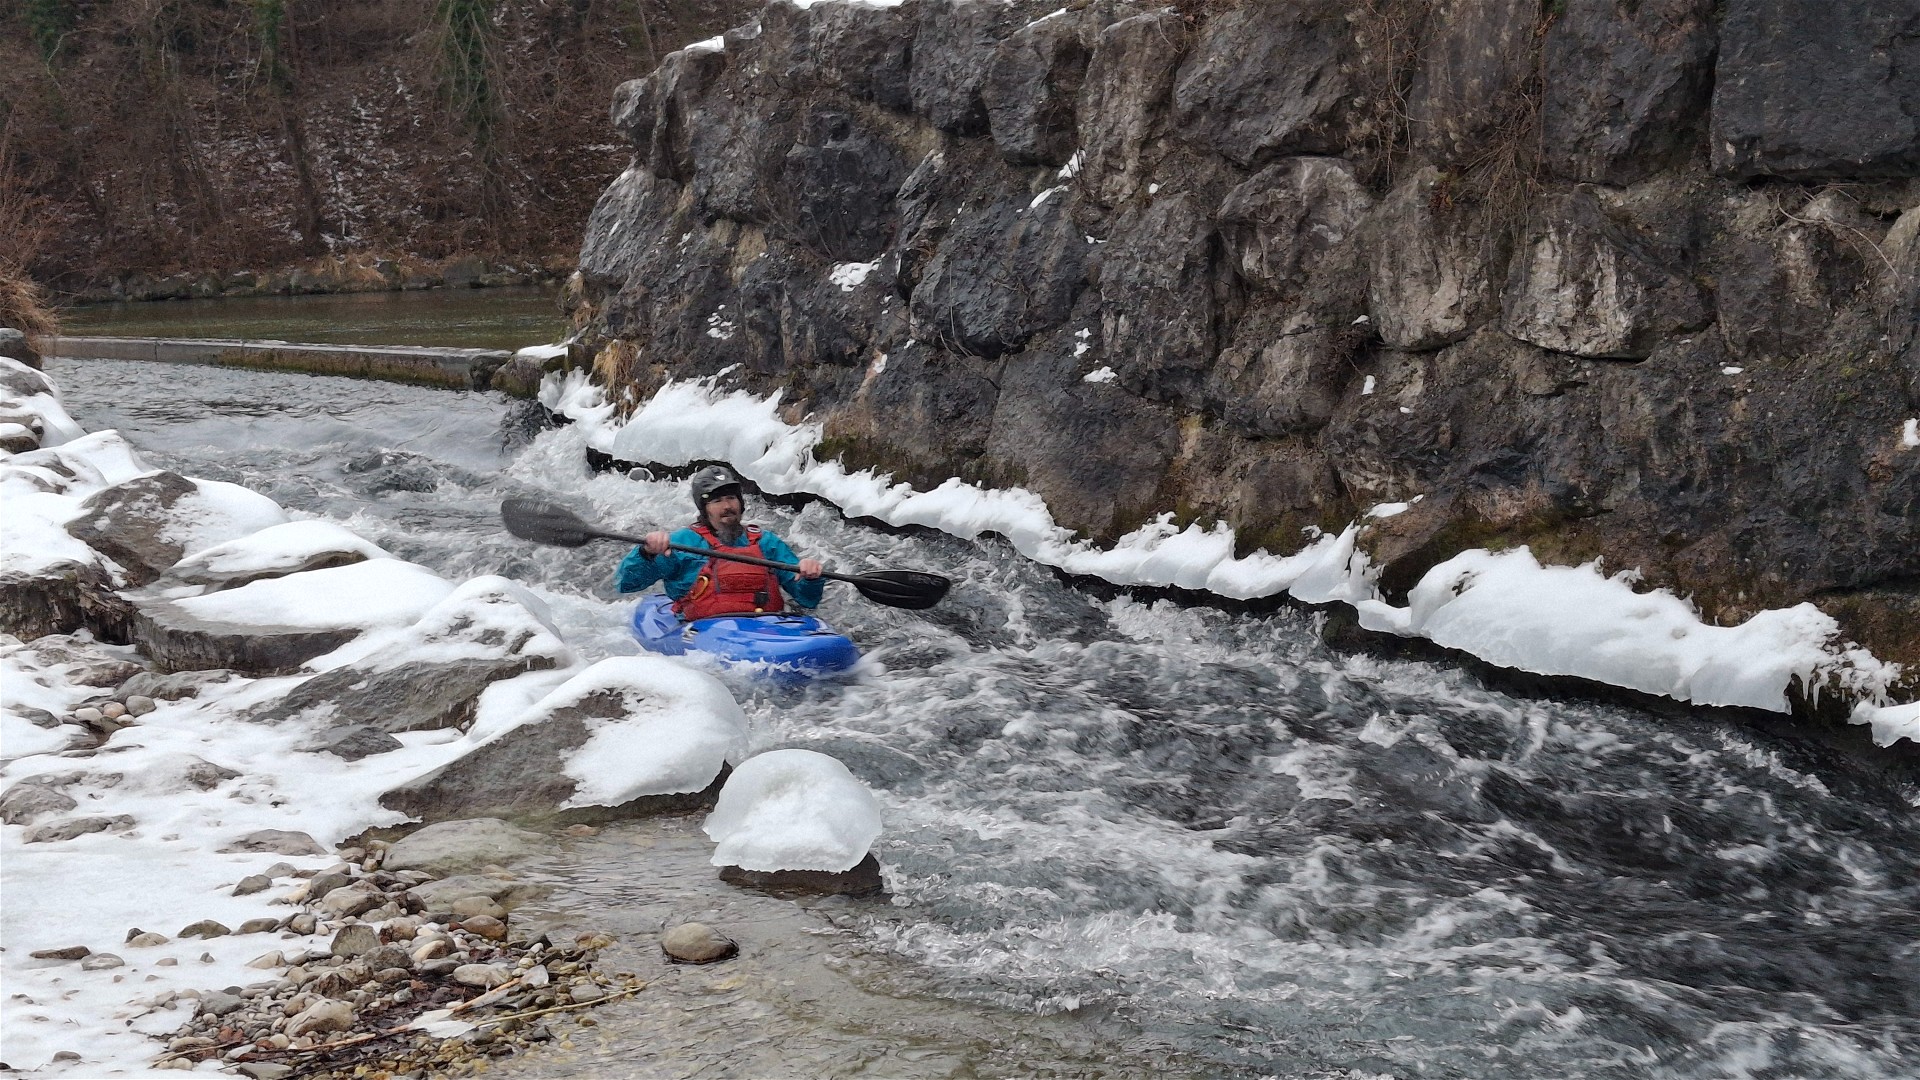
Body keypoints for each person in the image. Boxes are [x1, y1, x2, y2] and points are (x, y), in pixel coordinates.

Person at [615, 465, 825, 618]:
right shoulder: (682, 542)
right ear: (704, 509)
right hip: (704, 630)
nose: (727, 506)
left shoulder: (765, 542)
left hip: (766, 627)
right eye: (717, 501)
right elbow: (626, 583)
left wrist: (810, 577)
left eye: (731, 498)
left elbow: (808, 599)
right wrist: (646, 553)